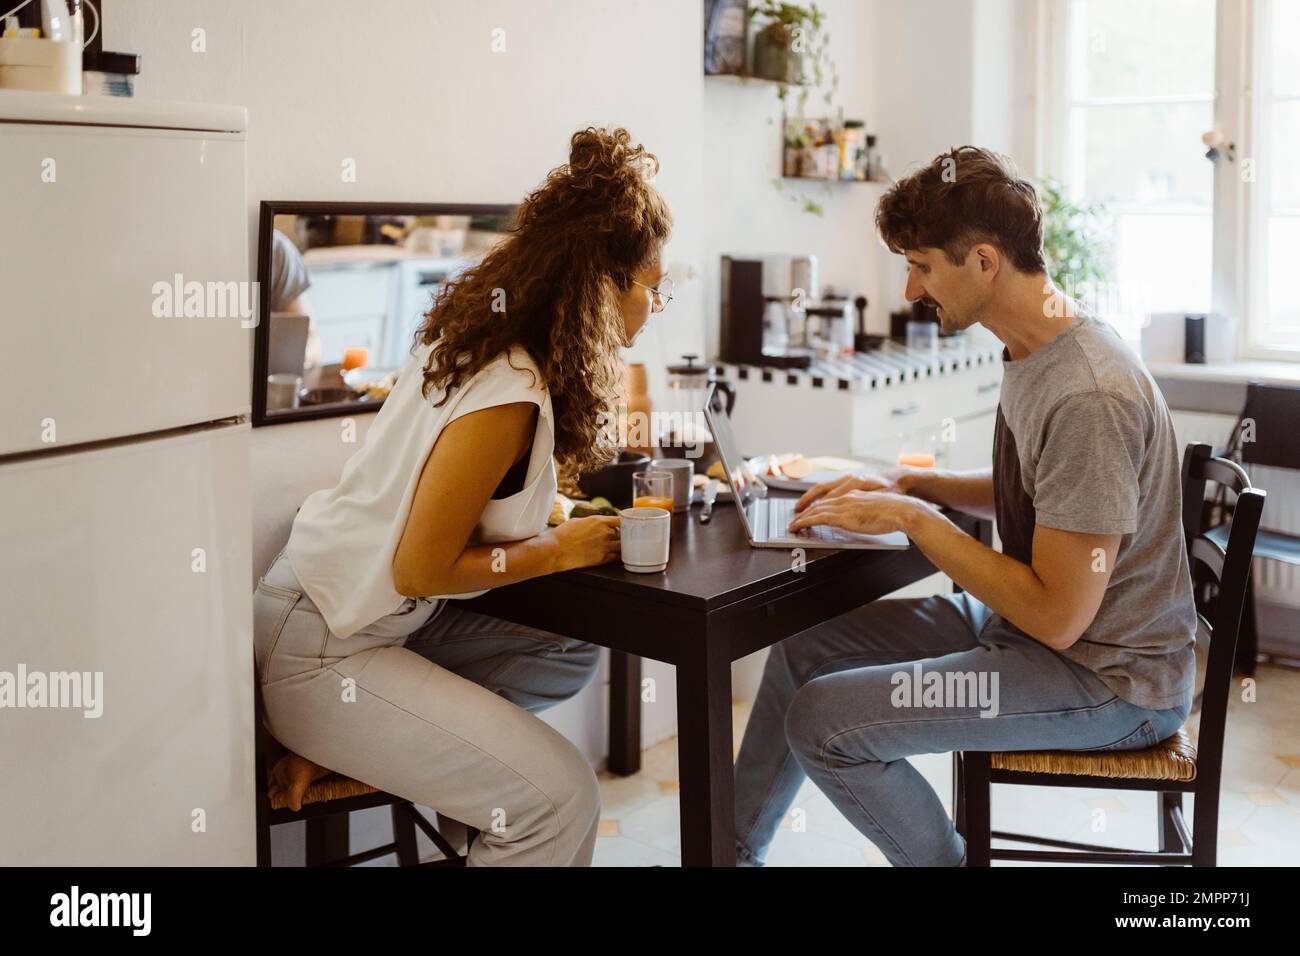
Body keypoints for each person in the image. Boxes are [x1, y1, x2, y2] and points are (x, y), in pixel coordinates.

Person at [733, 146, 1196, 867]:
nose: (911, 287)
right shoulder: (1035, 347)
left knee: (822, 720)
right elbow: (1041, 494)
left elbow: (1058, 614)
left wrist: (915, 521)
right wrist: (912, 483)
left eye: (921, 264)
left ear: (983, 262)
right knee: (804, 648)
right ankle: (731, 852)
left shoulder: (1088, 395)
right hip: (1039, 640)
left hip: (1109, 681)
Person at [253, 127, 673, 866]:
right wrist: (557, 546)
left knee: (570, 648)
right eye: (651, 284)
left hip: (359, 620)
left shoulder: (489, 348)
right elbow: (421, 569)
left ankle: (371, 748)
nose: (656, 304)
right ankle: (354, 737)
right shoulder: (507, 391)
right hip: (321, 647)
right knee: (562, 799)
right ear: (600, 286)